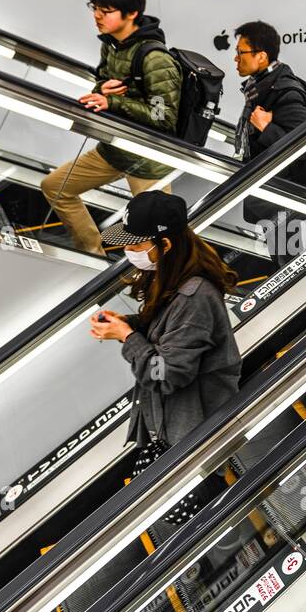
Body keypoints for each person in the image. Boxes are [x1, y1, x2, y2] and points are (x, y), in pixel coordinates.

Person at [91, 191, 241, 520]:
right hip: (175, 421)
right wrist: (128, 324)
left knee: (197, 512)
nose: (128, 252)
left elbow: (167, 373)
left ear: (166, 245)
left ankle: (217, 539)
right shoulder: (173, 276)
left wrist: (127, 337)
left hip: (195, 427)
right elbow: (165, 328)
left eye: (135, 246)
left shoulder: (194, 297)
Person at [42, 0, 182, 256]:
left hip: (147, 161)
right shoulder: (111, 44)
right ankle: (94, 257)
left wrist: (113, 102)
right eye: (94, 8)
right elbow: (104, 86)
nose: (97, 16)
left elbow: (163, 117)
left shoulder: (156, 59)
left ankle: (172, 284)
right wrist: (101, 90)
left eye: (105, 11)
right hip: (115, 148)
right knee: (55, 186)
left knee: (161, 237)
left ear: (132, 13)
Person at [233, 20, 306, 269]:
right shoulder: (260, 87)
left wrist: (266, 128)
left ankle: (302, 298)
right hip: (273, 187)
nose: (235, 58)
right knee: (281, 253)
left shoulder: (286, 93)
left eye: (241, 52)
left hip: (284, 191)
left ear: (261, 56)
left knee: (288, 260)